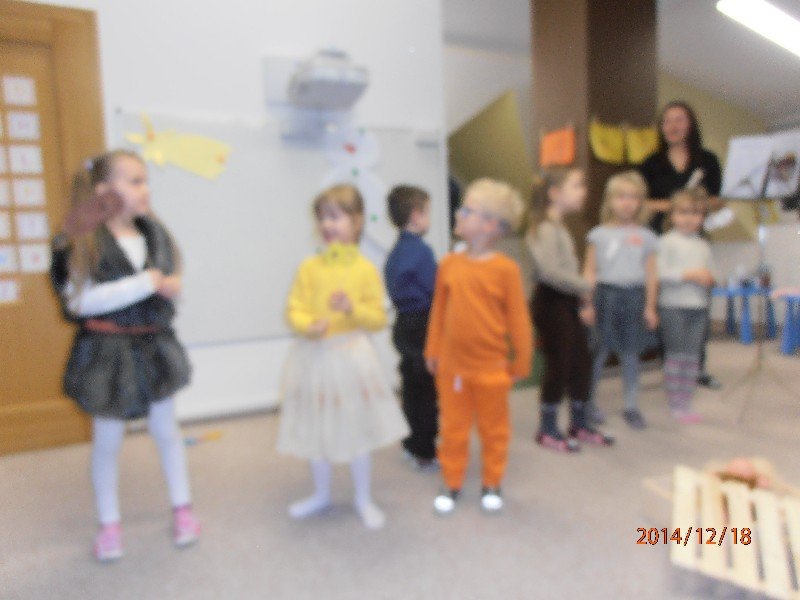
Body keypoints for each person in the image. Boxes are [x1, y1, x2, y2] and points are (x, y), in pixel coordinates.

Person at [50, 150, 198, 562]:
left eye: (145, 180)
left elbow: (161, 292)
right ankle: (109, 523)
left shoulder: (154, 235)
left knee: (166, 431)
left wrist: (168, 288)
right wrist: (144, 283)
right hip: (106, 353)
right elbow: (79, 303)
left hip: (154, 347)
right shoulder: (82, 241)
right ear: (103, 192)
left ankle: (182, 508)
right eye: (134, 181)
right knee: (108, 441)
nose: (145, 189)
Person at [278, 184, 409, 530]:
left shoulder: (365, 269)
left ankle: (363, 498)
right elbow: (294, 308)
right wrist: (309, 325)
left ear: (357, 221)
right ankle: (321, 494)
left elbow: (378, 319)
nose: (327, 224)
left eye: (335, 217)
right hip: (315, 358)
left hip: (351, 357)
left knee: (356, 431)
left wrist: (352, 309)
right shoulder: (309, 267)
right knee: (317, 429)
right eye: (322, 218)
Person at [425, 178, 532, 515]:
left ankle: (492, 481)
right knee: (453, 429)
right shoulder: (449, 264)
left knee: (494, 430)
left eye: (466, 210)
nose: (458, 214)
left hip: (491, 370)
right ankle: (452, 480)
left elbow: (518, 321)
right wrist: (432, 350)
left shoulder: (506, 270)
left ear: (490, 225)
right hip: (452, 368)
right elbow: (439, 312)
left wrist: (521, 361)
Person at [527, 168, 614, 452]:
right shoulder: (544, 228)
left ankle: (579, 423)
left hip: (566, 300)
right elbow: (549, 271)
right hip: (550, 302)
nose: (584, 191)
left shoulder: (560, 226)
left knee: (581, 362)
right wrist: (586, 285)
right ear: (554, 193)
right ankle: (547, 428)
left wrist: (581, 295)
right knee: (559, 364)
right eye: (577, 186)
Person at [639, 100, 723, 388]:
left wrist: (694, 206)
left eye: (679, 120)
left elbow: (717, 198)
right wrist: (673, 205)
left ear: (691, 125)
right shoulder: (651, 163)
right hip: (662, 236)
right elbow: (643, 201)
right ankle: (672, 366)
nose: (672, 126)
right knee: (669, 303)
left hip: (696, 236)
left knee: (699, 301)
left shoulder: (707, 160)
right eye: (667, 121)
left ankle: (698, 366)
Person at [584, 171, 659, 429]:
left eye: (634, 197)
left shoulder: (647, 236)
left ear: (641, 202)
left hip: (634, 296)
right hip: (606, 296)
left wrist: (650, 306)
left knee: (630, 352)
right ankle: (587, 402)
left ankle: (631, 405)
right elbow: (590, 271)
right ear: (609, 200)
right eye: (621, 197)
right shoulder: (598, 235)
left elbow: (651, 274)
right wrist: (587, 302)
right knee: (599, 352)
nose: (627, 203)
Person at [384, 185, 439, 470]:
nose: (428, 219)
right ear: (416, 216)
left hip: (403, 324)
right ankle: (425, 450)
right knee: (427, 390)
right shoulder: (421, 251)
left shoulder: (396, 251)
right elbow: (436, 289)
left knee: (411, 387)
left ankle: (410, 443)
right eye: (427, 212)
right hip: (422, 325)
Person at [657, 189, 716, 423]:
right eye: (683, 212)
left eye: (695, 213)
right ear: (672, 215)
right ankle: (675, 403)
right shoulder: (665, 242)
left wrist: (710, 278)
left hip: (699, 307)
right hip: (673, 307)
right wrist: (688, 275)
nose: (689, 218)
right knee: (676, 356)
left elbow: (711, 272)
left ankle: (686, 401)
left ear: (702, 217)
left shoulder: (703, 245)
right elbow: (659, 273)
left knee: (692, 357)